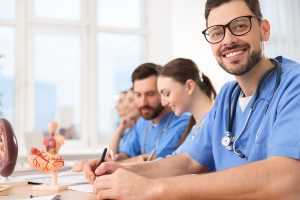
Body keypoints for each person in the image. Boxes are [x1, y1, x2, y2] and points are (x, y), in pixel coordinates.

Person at [83, 0, 300, 199]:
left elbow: (287, 178)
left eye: (240, 26)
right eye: (216, 33)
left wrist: (154, 188)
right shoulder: (227, 96)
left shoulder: (294, 84)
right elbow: (188, 161)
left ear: (264, 30)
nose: (229, 40)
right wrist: (122, 170)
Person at [157, 58, 216, 154]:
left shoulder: (216, 123)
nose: (164, 103)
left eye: (167, 93)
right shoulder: (195, 128)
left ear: (189, 86)